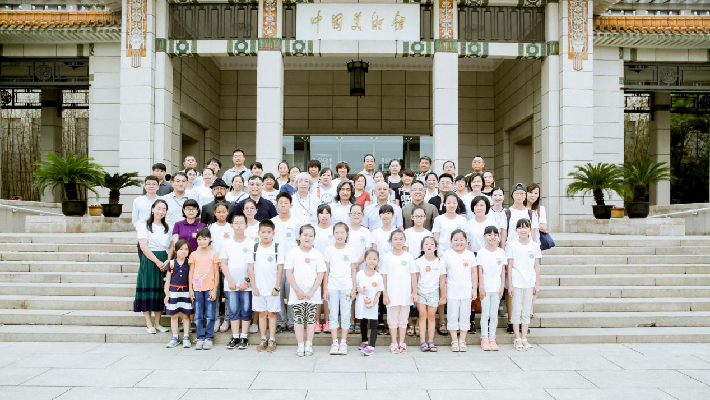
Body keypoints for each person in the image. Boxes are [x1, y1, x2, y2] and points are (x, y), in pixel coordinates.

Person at [285, 225, 326, 357]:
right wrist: (297, 291)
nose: (307, 238)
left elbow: (320, 274)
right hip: (297, 294)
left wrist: (312, 291)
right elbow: (289, 273)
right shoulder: (292, 253)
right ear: (299, 236)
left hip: (312, 294)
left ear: (314, 238)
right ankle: (300, 344)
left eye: (310, 236)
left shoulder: (317, 254)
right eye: (305, 235)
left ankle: (309, 344)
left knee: (311, 319)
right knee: (298, 319)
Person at [135, 200, 172, 334]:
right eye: (158, 208)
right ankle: (149, 323)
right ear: (152, 209)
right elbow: (144, 247)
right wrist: (157, 262)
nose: (161, 212)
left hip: (164, 259)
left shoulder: (168, 227)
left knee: (160, 292)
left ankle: (157, 323)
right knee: (148, 290)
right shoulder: (144, 226)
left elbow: (171, 246)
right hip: (150, 260)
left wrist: (167, 260)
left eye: (164, 209)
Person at [220, 213, 256, 350]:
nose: (239, 226)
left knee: (246, 309)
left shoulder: (251, 243)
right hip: (231, 284)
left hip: (247, 284)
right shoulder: (227, 243)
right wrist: (229, 280)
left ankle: (244, 337)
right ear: (231, 225)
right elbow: (223, 263)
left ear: (246, 226)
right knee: (233, 309)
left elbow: (252, 264)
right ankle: (235, 336)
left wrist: (246, 280)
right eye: (236, 223)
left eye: (242, 223)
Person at [249, 219, 284, 352]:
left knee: (272, 314)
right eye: (263, 232)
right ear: (258, 233)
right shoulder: (254, 248)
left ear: (273, 233)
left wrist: (276, 287)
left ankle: (272, 339)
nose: (266, 235)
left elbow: (280, 269)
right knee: (262, 314)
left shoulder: (277, 247)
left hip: (272, 288)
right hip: (258, 288)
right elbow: (250, 269)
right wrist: (254, 287)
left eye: (269, 232)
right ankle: (263, 338)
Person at [381, 229, 418, 354]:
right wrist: (385, 294)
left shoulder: (408, 256)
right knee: (392, 320)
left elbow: (413, 276)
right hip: (392, 294)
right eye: (395, 239)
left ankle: (402, 342)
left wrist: (414, 292)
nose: (398, 241)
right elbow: (384, 277)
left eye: (401, 239)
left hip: (405, 294)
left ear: (405, 240)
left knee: (403, 320)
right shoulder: (387, 257)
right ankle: (393, 342)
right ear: (391, 241)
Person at [506, 218, 540, 351]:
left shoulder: (535, 246)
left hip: (530, 282)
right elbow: (509, 266)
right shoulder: (512, 245)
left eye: (525, 227)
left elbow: (537, 266)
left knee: (526, 311)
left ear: (530, 229)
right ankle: (517, 337)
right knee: (516, 310)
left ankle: (524, 337)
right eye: (520, 227)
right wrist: (510, 285)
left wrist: (537, 284)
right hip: (517, 282)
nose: (523, 230)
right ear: (516, 230)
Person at [324, 222, 358, 355]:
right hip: (332, 286)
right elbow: (326, 270)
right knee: (333, 314)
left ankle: (343, 342)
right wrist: (325, 289)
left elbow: (353, 270)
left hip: (346, 287)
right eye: (337, 232)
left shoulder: (351, 250)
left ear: (347, 234)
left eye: (342, 232)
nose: (339, 235)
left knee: (346, 314)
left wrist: (354, 288)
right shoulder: (329, 250)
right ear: (333, 234)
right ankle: (334, 342)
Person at [443, 229, 477, 352]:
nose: (458, 242)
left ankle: (462, 340)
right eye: (455, 240)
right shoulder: (447, 255)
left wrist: (474, 289)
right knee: (452, 315)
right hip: (452, 290)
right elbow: (443, 275)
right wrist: (443, 292)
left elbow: (474, 273)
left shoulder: (470, 255)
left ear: (466, 241)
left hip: (466, 291)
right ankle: (454, 340)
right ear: (451, 241)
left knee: (465, 315)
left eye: (461, 240)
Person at [271, 192, 301, 333]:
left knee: (291, 293)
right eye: (281, 203)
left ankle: (292, 321)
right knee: (278, 293)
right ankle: (281, 322)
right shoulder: (273, 222)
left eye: (286, 203)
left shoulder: (296, 222)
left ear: (291, 205)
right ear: (277, 204)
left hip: (292, 264)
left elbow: (299, 242)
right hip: (276, 263)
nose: (283, 205)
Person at [189, 227, 221, 350]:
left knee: (210, 315)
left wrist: (214, 289)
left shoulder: (214, 254)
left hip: (209, 288)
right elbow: (191, 272)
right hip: (197, 289)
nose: (202, 242)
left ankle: (209, 337)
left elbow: (217, 272)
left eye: (204, 239)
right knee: (198, 315)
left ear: (210, 239)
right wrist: (191, 289)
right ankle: (200, 337)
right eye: (199, 239)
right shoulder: (193, 254)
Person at [477, 226, 506, 351]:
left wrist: (502, 287)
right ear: (484, 236)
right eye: (489, 235)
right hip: (485, 288)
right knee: (485, 314)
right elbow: (480, 271)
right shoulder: (481, 252)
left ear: (498, 237)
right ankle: (484, 338)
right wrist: (481, 287)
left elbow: (503, 271)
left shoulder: (501, 252)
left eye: (495, 235)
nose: (492, 237)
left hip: (497, 288)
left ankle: (492, 338)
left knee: (494, 314)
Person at [415, 236, 446, 352]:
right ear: (422, 248)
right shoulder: (418, 261)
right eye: (426, 244)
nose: (429, 246)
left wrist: (443, 296)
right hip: (421, 291)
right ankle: (422, 341)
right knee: (422, 315)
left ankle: (431, 341)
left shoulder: (440, 262)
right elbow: (415, 279)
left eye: (432, 244)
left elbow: (442, 281)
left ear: (436, 247)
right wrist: (414, 293)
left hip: (433, 292)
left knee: (432, 316)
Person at [208, 202, 234, 333]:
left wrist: (225, 262)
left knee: (228, 292)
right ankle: (216, 318)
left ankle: (227, 319)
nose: (221, 214)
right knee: (215, 292)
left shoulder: (231, 227)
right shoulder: (211, 227)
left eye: (223, 211)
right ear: (214, 213)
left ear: (228, 212)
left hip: (228, 264)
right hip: (214, 264)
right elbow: (209, 246)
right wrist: (216, 262)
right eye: (218, 212)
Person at [164, 239, 192, 348]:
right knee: (174, 315)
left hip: (185, 292)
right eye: (181, 249)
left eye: (186, 249)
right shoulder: (171, 263)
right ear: (176, 251)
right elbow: (168, 280)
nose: (183, 251)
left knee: (185, 315)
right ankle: (175, 337)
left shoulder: (189, 263)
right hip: (174, 292)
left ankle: (186, 337)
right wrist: (167, 294)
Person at [355, 249, 383, 356]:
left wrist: (374, 303)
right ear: (365, 260)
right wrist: (360, 290)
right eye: (369, 258)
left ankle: (371, 346)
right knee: (363, 322)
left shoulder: (378, 276)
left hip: (373, 304)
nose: (372, 261)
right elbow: (356, 287)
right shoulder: (359, 274)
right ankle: (364, 340)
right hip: (362, 303)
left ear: (378, 261)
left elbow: (379, 291)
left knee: (374, 324)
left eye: (374, 259)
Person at [313, 204, 334, 333]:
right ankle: (316, 322)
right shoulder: (314, 229)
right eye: (321, 213)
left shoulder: (333, 230)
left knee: (326, 294)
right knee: (316, 294)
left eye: (327, 213)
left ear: (331, 215)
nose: (324, 216)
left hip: (330, 267)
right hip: (315, 266)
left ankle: (327, 322)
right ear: (318, 215)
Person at [502, 183, 539, 248]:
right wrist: (502, 250)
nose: (519, 196)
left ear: (525, 195)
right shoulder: (506, 213)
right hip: (511, 249)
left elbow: (533, 235)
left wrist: (535, 250)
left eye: (522, 193)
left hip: (527, 249)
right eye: (516, 193)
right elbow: (503, 235)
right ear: (512, 195)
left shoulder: (531, 213)